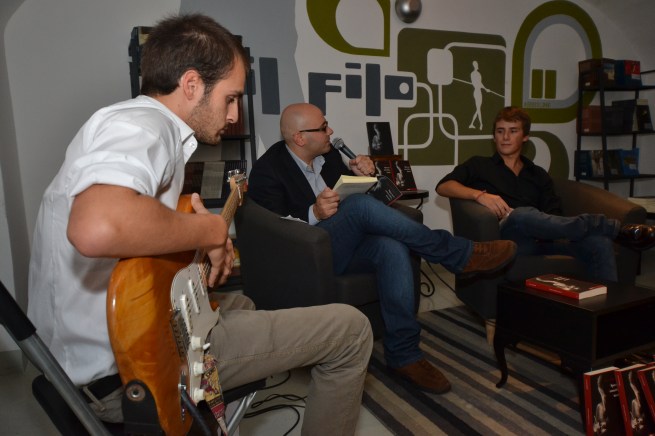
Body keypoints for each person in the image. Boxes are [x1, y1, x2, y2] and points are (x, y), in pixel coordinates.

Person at [27, 14, 373, 435]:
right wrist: (210, 231)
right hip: (130, 370)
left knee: (242, 305)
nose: (234, 114)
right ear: (191, 85)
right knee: (352, 330)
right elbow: (97, 225)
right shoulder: (143, 126)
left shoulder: (140, 127)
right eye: (231, 98)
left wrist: (192, 254)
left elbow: (137, 251)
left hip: (101, 355)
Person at [247, 102, 518, 394]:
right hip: (307, 255)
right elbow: (275, 231)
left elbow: (361, 205)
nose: (331, 131)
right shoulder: (268, 170)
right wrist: (314, 212)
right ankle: (459, 254)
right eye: (323, 127)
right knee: (359, 206)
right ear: (300, 138)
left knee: (392, 248)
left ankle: (404, 355)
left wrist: (364, 177)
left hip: (344, 246)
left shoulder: (331, 156)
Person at [436, 106, 655, 282]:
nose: (505, 137)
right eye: (500, 131)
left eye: (513, 131)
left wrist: (546, 227)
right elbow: (443, 186)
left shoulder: (538, 174)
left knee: (599, 244)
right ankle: (610, 227)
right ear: (494, 136)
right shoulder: (480, 165)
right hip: (509, 238)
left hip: (544, 239)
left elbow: (554, 212)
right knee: (521, 214)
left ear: (525, 137)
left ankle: (605, 312)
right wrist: (479, 195)